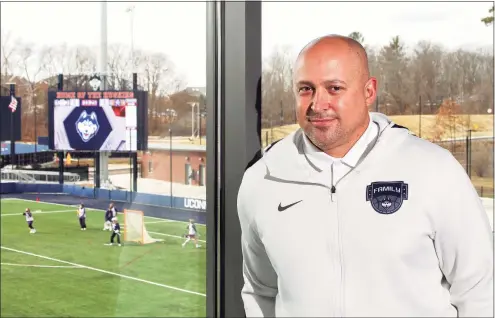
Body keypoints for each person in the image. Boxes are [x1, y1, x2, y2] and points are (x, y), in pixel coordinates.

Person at [237, 34, 493, 317]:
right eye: (306, 89)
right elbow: (260, 291)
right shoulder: (262, 179)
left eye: (334, 88)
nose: (318, 104)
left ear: (369, 91)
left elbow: (480, 291)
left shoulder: (433, 170)